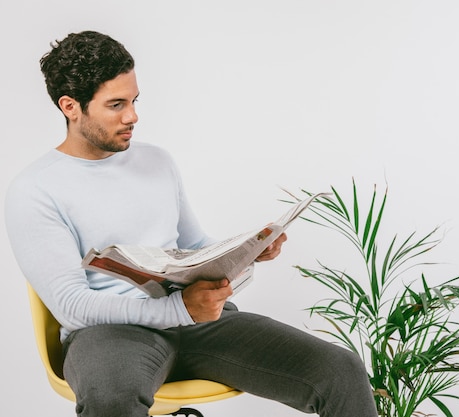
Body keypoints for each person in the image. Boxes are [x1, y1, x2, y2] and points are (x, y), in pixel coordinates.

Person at [5, 30, 378, 417]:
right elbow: (73, 306)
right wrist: (178, 311)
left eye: (134, 101)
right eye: (116, 104)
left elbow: (195, 244)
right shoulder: (35, 190)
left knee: (341, 370)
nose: (132, 116)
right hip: (110, 333)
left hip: (196, 323)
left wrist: (249, 251)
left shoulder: (157, 161)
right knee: (111, 397)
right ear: (71, 107)